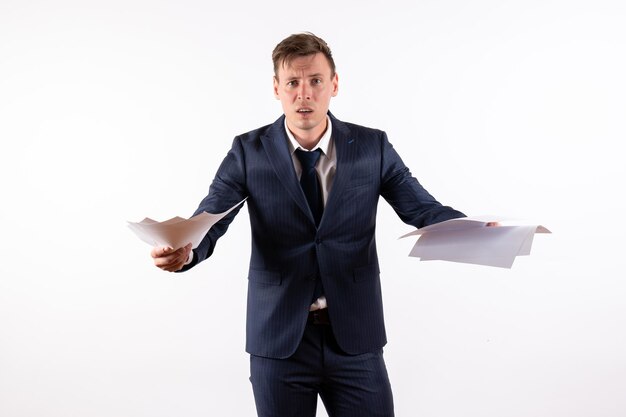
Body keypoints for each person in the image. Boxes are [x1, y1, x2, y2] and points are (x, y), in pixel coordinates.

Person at [151, 32, 466, 417]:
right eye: (293, 83)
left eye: (315, 81)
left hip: (355, 338)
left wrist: (479, 229)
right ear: (276, 88)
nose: (304, 94)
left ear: (334, 84)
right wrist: (186, 251)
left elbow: (423, 209)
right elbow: (211, 218)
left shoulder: (372, 148)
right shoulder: (248, 152)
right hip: (279, 342)